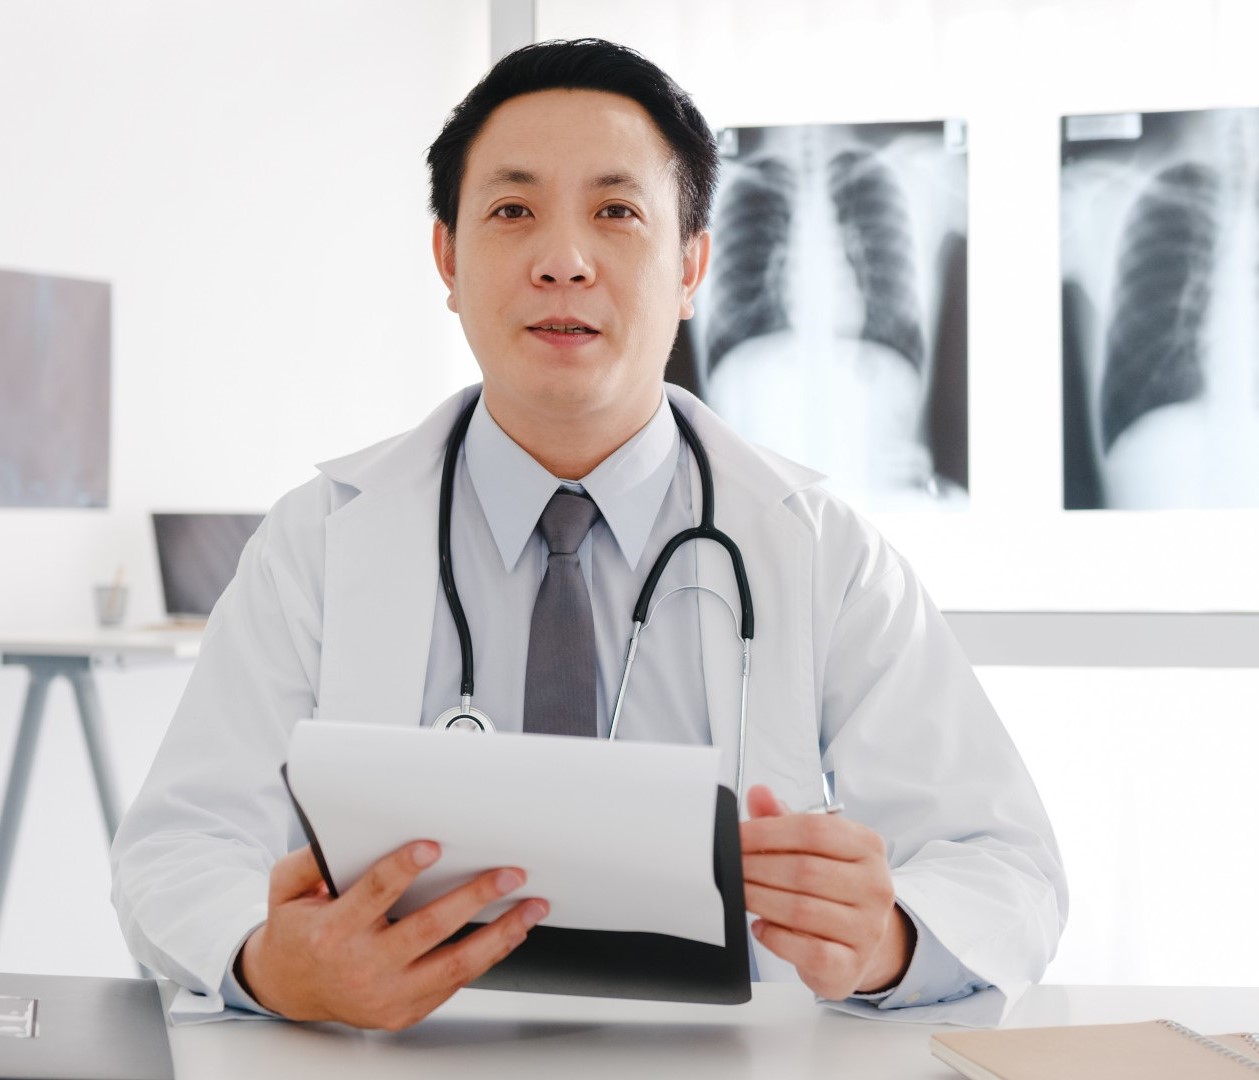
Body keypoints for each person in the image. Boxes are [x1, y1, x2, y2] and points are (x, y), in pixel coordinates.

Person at [111, 38, 1066, 1030]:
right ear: (446, 256)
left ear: (691, 264)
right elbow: (180, 846)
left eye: (615, 212)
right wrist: (269, 963)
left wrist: (887, 939)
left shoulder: (821, 551)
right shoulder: (317, 542)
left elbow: (1002, 868)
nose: (561, 260)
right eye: (512, 210)